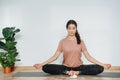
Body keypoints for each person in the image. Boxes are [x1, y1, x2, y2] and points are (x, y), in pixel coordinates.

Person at [34, 20, 111, 76]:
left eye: (73, 28)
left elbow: (89, 57)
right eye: (69, 28)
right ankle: (67, 72)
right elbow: (54, 57)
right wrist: (41, 64)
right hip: (65, 68)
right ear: (67, 29)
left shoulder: (80, 42)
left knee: (100, 68)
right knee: (45, 67)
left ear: (76, 29)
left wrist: (103, 64)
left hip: (79, 68)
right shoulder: (62, 42)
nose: (71, 30)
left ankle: (78, 73)